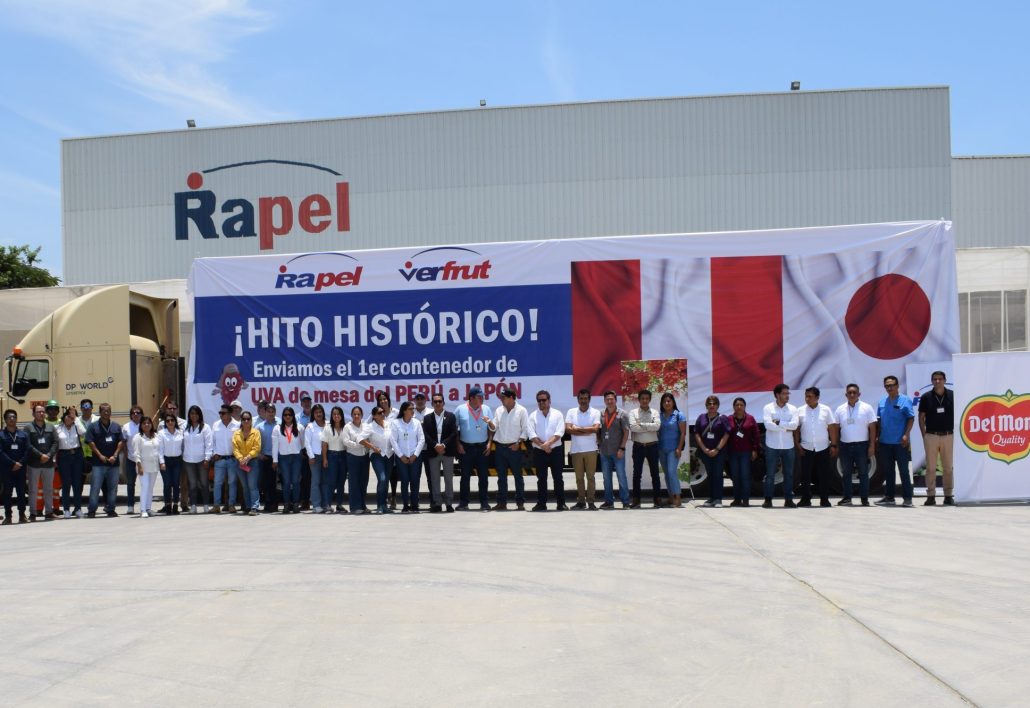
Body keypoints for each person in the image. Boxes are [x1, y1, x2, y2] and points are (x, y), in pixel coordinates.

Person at [795, 387, 838, 508]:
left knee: (824, 475)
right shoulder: (800, 410)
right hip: (806, 448)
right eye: (806, 396)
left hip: (823, 447)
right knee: (805, 475)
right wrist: (797, 444)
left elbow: (832, 427)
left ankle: (824, 499)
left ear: (817, 397)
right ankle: (805, 499)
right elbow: (796, 429)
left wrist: (834, 444)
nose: (807, 399)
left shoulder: (826, 410)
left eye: (810, 396)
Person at [876, 375, 915, 507]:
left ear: (897, 386)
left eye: (892, 385)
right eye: (887, 386)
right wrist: (877, 436)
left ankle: (908, 498)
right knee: (888, 471)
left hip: (900, 443)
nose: (889, 388)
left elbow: (911, 418)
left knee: (903, 471)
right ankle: (889, 497)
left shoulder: (905, 400)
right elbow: (879, 420)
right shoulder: (882, 401)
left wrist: (906, 435)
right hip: (885, 442)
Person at [835, 383, 877, 506]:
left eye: (854, 392)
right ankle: (847, 498)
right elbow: (836, 428)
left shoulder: (867, 408)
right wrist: (836, 445)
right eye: (849, 393)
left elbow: (872, 427)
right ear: (846, 395)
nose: (852, 395)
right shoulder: (840, 409)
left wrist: (872, 445)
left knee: (863, 473)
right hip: (845, 445)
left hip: (862, 446)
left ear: (859, 394)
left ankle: (864, 498)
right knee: (846, 473)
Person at [919, 370, 955, 506]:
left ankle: (948, 495)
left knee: (948, 467)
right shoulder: (926, 397)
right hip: (931, 435)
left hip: (948, 435)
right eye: (935, 379)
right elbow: (921, 417)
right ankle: (931, 496)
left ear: (945, 380)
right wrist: (924, 435)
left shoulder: (952, 395)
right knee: (930, 468)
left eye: (940, 379)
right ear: (932, 381)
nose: (937, 381)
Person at [455, 386, 493, 511]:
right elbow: (454, 429)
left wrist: (489, 443)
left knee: (483, 477)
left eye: (482, 396)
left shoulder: (486, 409)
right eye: (479, 397)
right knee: (465, 477)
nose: (482, 399)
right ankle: (463, 502)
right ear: (471, 398)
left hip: (482, 447)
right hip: (466, 448)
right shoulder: (460, 409)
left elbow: (491, 428)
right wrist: (458, 444)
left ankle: (484, 502)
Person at [491, 387, 529, 511]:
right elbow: (494, 427)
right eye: (501, 397)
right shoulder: (499, 410)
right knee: (501, 478)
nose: (502, 400)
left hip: (514, 448)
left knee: (518, 477)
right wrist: (489, 423)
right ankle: (502, 502)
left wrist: (518, 443)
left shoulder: (521, 410)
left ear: (512, 398)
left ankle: (520, 503)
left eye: (504, 397)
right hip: (500, 447)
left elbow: (525, 430)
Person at [529, 389, 567, 511]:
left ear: (549, 401)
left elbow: (560, 432)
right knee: (541, 479)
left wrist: (548, 444)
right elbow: (531, 434)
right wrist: (543, 446)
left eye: (544, 400)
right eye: (539, 400)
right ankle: (541, 504)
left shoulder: (558, 414)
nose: (541, 402)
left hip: (555, 450)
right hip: (539, 452)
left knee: (558, 478)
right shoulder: (532, 416)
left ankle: (561, 503)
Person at [762, 384, 799, 508]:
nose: (787, 396)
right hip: (772, 445)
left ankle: (788, 500)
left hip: (788, 446)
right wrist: (786, 427)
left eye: (788, 393)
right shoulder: (768, 408)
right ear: (777, 395)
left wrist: (778, 423)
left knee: (788, 474)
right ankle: (768, 500)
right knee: (770, 474)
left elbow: (794, 426)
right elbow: (768, 425)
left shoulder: (793, 409)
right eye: (784, 393)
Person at [85, 403, 124, 518]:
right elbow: (90, 442)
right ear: (100, 412)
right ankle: (92, 510)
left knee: (113, 488)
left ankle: (111, 509)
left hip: (113, 463)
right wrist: (100, 456)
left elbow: (121, 441)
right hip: (98, 463)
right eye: (104, 411)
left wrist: (115, 455)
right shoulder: (93, 427)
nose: (106, 413)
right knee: (95, 487)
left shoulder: (116, 426)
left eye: (108, 411)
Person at [564, 388, 601, 510]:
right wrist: (587, 430)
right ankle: (581, 501)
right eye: (581, 398)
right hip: (576, 450)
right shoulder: (571, 412)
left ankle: (591, 502)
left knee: (591, 477)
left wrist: (577, 429)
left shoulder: (595, 412)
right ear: (578, 399)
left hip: (591, 450)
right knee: (579, 478)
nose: (583, 401)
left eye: (585, 398)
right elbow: (568, 430)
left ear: (589, 399)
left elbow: (595, 429)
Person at [423, 393, 458, 513]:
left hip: (447, 451)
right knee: (435, 479)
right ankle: (437, 503)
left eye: (439, 401)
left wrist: (443, 445)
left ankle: (449, 503)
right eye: (435, 402)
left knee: (448, 478)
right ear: (432, 404)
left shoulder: (451, 416)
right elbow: (425, 435)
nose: (437, 403)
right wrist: (435, 445)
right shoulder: (427, 418)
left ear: (443, 403)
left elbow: (453, 433)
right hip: (433, 452)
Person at [597, 390, 631, 509]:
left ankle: (625, 501)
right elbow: (598, 430)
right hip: (604, 451)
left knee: (621, 476)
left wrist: (622, 448)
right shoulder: (601, 414)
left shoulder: (623, 414)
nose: (609, 401)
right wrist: (599, 443)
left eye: (611, 399)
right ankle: (609, 501)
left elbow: (626, 432)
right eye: (607, 399)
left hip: (618, 451)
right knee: (606, 478)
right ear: (604, 401)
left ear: (616, 400)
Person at [24, 403, 59, 521]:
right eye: (38, 412)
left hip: (48, 464)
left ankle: (49, 512)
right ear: (33, 414)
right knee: (33, 490)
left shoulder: (50, 427)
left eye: (43, 411)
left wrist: (48, 455)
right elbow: (28, 445)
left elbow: (56, 442)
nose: (41, 413)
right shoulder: (28, 428)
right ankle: (33, 513)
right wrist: (40, 455)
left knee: (48, 489)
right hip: (34, 464)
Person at [694, 395, 730, 508]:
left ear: (718, 405)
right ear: (706, 405)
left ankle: (718, 499)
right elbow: (697, 434)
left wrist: (717, 449)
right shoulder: (701, 418)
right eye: (709, 403)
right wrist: (704, 449)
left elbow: (726, 434)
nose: (712, 405)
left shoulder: (723, 418)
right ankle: (711, 498)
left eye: (714, 403)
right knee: (710, 475)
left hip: (719, 452)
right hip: (706, 452)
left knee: (718, 474)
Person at [629, 389, 662, 508]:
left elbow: (657, 426)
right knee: (637, 474)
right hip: (638, 446)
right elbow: (633, 427)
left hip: (652, 446)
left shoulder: (655, 412)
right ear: (639, 400)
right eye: (642, 398)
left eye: (647, 398)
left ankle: (657, 499)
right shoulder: (633, 412)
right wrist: (649, 426)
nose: (644, 401)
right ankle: (636, 500)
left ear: (650, 400)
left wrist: (641, 424)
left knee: (655, 474)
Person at [391, 401, 426, 513]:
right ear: (404, 410)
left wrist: (415, 455)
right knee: (404, 481)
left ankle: (415, 505)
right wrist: (401, 456)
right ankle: (405, 505)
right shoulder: (396, 423)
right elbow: (393, 440)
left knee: (415, 481)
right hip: (401, 458)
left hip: (415, 457)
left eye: (413, 409)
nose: (413, 411)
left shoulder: (416, 422)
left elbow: (421, 439)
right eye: (411, 409)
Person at [360, 406, 394, 514]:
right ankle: (380, 505)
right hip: (377, 456)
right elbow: (359, 439)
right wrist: (373, 447)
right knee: (382, 479)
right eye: (379, 413)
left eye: (383, 412)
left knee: (386, 480)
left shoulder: (389, 424)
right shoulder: (370, 427)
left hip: (389, 455)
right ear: (374, 416)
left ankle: (384, 505)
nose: (382, 414)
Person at [726, 398, 760, 507]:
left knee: (745, 476)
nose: (739, 407)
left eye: (741, 405)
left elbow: (756, 435)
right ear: (733, 407)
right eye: (737, 405)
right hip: (733, 452)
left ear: (745, 406)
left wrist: (755, 449)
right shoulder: (729, 419)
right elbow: (725, 435)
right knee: (735, 477)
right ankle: (737, 499)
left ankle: (745, 500)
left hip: (746, 452)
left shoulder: (750, 418)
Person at [209, 405, 241, 514]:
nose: (221, 415)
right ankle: (216, 506)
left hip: (233, 459)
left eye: (223, 413)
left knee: (232, 482)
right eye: (220, 413)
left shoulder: (237, 425)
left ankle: (231, 505)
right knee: (217, 483)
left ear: (230, 413)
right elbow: (212, 441)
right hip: (219, 459)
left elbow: (240, 441)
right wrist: (214, 454)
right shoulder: (216, 425)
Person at [272, 406, 304, 513]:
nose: (287, 417)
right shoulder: (277, 428)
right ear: (282, 416)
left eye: (290, 414)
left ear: (293, 416)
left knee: (295, 481)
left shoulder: (299, 427)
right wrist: (275, 460)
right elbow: (275, 445)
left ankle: (295, 504)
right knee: (286, 482)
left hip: (296, 457)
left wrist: (299, 451)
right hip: (283, 458)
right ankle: (286, 504)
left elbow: (303, 443)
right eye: (285, 415)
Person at [658, 392, 687, 508]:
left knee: (671, 472)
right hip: (661, 449)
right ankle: (671, 497)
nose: (667, 403)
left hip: (673, 449)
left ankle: (678, 499)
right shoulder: (659, 415)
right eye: (664, 401)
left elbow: (683, 433)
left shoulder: (679, 415)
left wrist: (679, 448)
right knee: (667, 474)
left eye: (669, 401)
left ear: (673, 402)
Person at [1, 409, 30, 524]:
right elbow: (1, 452)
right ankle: (8, 516)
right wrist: (12, 463)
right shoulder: (1, 435)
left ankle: (22, 515)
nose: (12, 419)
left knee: (21, 492)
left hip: (21, 469)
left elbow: (27, 450)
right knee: (7, 493)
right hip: (6, 469)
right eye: (9, 417)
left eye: (14, 417)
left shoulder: (23, 435)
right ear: (5, 420)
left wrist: (20, 463)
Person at [182, 405, 212, 514]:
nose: (194, 415)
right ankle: (193, 506)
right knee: (192, 484)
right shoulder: (185, 427)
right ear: (189, 415)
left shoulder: (205, 427)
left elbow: (209, 444)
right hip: (188, 460)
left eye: (196, 413)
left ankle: (206, 505)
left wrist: (207, 459)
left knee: (204, 483)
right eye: (192, 413)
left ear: (199, 415)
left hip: (201, 460)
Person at [56, 408, 85, 518]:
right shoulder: (58, 428)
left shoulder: (77, 426)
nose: (70, 418)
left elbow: (84, 432)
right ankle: (66, 509)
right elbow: (54, 443)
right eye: (68, 416)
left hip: (76, 455)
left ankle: (78, 508)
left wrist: (76, 419)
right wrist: (54, 460)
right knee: (66, 483)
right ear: (64, 417)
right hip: (63, 456)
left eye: (72, 417)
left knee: (77, 483)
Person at [232, 412, 262, 515]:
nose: (246, 421)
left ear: (251, 420)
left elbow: (257, 447)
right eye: (244, 419)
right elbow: (235, 448)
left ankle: (254, 507)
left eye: (248, 419)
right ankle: (248, 506)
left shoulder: (256, 432)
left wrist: (248, 457)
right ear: (241, 420)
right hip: (240, 463)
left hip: (252, 462)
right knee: (245, 486)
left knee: (252, 485)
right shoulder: (236, 434)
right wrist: (241, 458)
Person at [376, 391, 401, 509]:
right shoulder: (376, 413)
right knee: (384, 476)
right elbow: (367, 425)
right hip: (382, 450)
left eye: (384, 399)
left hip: (395, 448)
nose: (383, 401)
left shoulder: (396, 412)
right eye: (380, 400)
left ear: (388, 400)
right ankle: (384, 498)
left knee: (393, 474)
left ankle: (394, 497)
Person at [321, 406, 348, 514]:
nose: (336, 416)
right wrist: (324, 459)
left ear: (341, 415)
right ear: (332, 416)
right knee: (331, 481)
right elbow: (324, 444)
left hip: (343, 456)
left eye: (338, 414)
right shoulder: (327, 428)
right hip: (331, 456)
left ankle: (339, 505)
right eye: (334, 414)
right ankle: (328, 505)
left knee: (341, 482)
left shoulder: (345, 428)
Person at [343, 406, 369, 513]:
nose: (356, 416)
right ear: (351, 415)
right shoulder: (347, 427)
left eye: (358, 414)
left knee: (364, 481)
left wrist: (365, 445)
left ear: (362, 415)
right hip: (353, 457)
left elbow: (369, 439)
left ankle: (362, 505)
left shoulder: (366, 426)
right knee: (354, 482)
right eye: (354, 414)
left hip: (364, 456)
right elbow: (346, 441)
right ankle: (355, 507)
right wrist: (358, 444)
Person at [133, 416, 160, 517]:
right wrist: (139, 466)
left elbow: (159, 450)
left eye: (148, 423)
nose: (146, 425)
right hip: (143, 467)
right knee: (145, 487)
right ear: (141, 425)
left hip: (154, 466)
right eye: (144, 423)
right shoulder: (138, 437)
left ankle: (148, 508)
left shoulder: (156, 436)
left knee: (150, 488)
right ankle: (143, 509)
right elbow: (136, 453)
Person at [254, 402, 280, 513]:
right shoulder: (259, 427)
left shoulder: (280, 424)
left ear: (275, 412)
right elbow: (255, 443)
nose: (270, 413)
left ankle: (275, 504)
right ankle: (268, 503)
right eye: (268, 411)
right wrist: (259, 455)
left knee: (276, 482)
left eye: (272, 411)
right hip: (265, 458)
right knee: (265, 482)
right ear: (265, 412)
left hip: (278, 457)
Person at [158, 414, 185, 515]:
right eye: (168, 420)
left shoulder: (180, 432)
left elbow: (183, 447)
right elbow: (160, 449)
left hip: (177, 460)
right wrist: (162, 462)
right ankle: (168, 505)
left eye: (172, 420)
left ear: (175, 421)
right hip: (166, 460)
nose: (170, 422)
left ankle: (175, 506)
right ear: (165, 422)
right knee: (167, 484)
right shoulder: (161, 433)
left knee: (176, 484)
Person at [305, 404, 328, 512]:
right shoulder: (310, 426)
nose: (318, 414)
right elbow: (307, 443)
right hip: (315, 457)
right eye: (316, 412)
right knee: (316, 481)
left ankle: (325, 504)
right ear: (313, 414)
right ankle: (316, 505)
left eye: (320, 412)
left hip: (326, 456)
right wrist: (311, 456)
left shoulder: (328, 424)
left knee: (325, 481)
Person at [120, 406, 143, 514]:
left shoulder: (145, 424)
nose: (136, 414)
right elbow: (123, 442)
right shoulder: (126, 427)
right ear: (131, 415)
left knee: (145, 484)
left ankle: (145, 506)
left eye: (138, 412)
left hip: (143, 459)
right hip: (130, 459)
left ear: (141, 414)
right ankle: (130, 506)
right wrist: (126, 454)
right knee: (130, 483)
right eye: (133, 413)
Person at [298, 393, 313, 511]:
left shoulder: (317, 415)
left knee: (316, 477)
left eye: (308, 401)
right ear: (301, 404)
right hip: (303, 451)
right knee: (305, 477)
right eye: (304, 401)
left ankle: (317, 501)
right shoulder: (297, 418)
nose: (307, 403)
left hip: (315, 449)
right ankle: (305, 501)